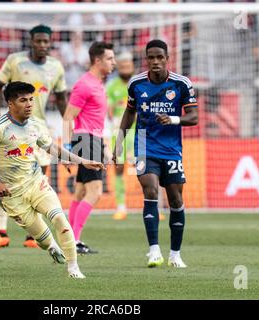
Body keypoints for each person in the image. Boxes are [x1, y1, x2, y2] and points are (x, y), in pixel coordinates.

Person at [0, 82, 104, 278]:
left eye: (31, 99)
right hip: (11, 194)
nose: (29, 104)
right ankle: (51, 246)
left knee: (59, 218)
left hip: (37, 183)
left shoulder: (35, 125)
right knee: (41, 239)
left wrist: (82, 161)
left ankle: (74, 268)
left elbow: (53, 148)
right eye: (23, 100)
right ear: (10, 104)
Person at [113, 40, 198, 268]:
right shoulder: (137, 83)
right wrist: (119, 143)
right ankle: (153, 251)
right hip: (143, 143)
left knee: (176, 200)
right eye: (151, 57)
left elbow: (194, 117)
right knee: (149, 189)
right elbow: (129, 114)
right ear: (146, 59)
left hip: (171, 148)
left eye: (160, 57)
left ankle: (175, 254)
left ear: (167, 58)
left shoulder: (181, 84)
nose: (155, 61)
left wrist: (173, 119)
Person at [0, 24, 68, 249]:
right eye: (38, 41)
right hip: (12, 129)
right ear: (31, 41)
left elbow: (62, 100)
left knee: (38, 180)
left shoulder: (56, 66)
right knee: (6, 178)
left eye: (45, 42)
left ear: (50, 43)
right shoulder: (15, 61)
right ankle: (1, 232)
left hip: (39, 130)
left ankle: (31, 236)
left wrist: (70, 131)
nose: (42, 45)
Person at [63, 41, 116, 254]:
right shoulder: (84, 84)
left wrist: (104, 146)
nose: (113, 63)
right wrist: (67, 149)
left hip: (91, 140)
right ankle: (73, 242)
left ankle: (71, 239)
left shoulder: (98, 84)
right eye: (110, 59)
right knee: (95, 192)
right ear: (97, 60)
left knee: (81, 192)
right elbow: (68, 116)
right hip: (85, 140)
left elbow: (94, 121)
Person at [106, 51, 136, 220]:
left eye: (128, 65)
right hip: (118, 132)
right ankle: (121, 206)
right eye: (122, 66)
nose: (125, 68)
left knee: (147, 168)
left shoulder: (139, 83)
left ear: (132, 66)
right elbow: (108, 110)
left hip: (140, 132)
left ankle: (152, 205)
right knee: (118, 168)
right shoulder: (112, 85)